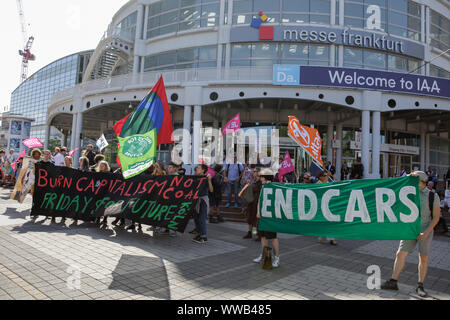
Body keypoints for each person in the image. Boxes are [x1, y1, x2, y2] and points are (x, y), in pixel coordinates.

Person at [381, 171, 441, 297]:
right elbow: (397, 187)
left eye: (416, 181)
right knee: (400, 253)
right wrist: (408, 176)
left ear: (423, 182)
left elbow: (436, 218)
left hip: (425, 229)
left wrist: (426, 232)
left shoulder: (432, 196)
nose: (414, 184)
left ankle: (420, 285)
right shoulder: (408, 192)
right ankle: (393, 281)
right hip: (410, 229)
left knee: (423, 257)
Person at [253, 168, 280, 268]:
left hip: (270, 216)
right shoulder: (262, 186)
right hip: (262, 216)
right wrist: (258, 212)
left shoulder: (273, 187)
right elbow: (260, 200)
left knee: (273, 237)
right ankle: (264, 255)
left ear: (266, 177)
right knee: (263, 236)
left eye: (262, 177)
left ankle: (276, 258)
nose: (260, 178)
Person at [192, 164, 214, 244]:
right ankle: (199, 233)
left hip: (203, 200)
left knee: (202, 218)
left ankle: (204, 236)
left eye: (198, 168)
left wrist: (209, 180)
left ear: (203, 170)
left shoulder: (206, 178)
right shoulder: (196, 177)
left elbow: (211, 190)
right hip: (196, 200)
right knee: (196, 218)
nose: (196, 169)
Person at [316, 171, 338, 245]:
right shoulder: (318, 183)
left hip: (328, 206)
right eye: (324, 175)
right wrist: (328, 176)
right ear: (320, 177)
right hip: (322, 206)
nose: (326, 176)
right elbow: (324, 187)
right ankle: (323, 237)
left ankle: (331, 238)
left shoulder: (327, 181)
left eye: (326, 175)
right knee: (324, 223)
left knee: (330, 223)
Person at [242, 167, 261, 240]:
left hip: (256, 202)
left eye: (255, 171)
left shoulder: (261, 182)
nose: (253, 173)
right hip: (251, 201)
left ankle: (259, 234)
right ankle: (250, 232)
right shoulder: (253, 180)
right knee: (250, 217)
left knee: (256, 218)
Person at [95, 161, 111, 226]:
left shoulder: (109, 174)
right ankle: (98, 218)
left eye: (103, 166)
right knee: (99, 205)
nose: (101, 167)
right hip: (99, 192)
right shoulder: (97, 173)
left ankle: (105, 219)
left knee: (105, 206)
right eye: (100, 165)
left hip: (106, 192)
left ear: (106, 166)